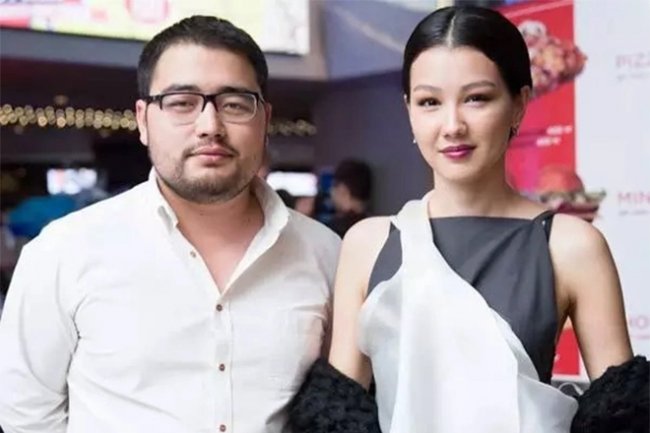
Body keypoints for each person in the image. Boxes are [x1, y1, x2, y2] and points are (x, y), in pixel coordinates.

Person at [290, 6, 647, 433]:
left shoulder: (571, 246)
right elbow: (336, 417)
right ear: (409, 110)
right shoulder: (368, 243)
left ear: (519, 104)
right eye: (429, 102)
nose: (452, 125)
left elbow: (622, 417)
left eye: (477, 98)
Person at [0, 16, 340, 433]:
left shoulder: (324, 253)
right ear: (143, 120)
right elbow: (26, 415)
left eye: (234, 104)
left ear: (264, 120)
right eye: (182, 103)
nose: (210, 126)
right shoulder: (64, 252)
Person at [327, 159, 373, 237]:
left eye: (334, 186)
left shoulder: (334, 230)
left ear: (343, 189)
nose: (331, 192)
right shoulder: (376, 227)